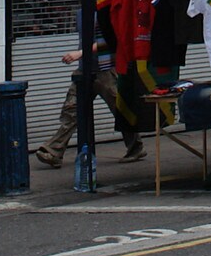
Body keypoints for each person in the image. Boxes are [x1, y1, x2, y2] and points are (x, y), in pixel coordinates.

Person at [32, 40, 141, 169]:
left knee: (120, 109)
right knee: (72, 110)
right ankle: (54, 150)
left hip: (105, 69)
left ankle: (135, 147)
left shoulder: (102, 19)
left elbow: (109, 39)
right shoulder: (79, 18)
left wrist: (81, 53)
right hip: (85, 69)